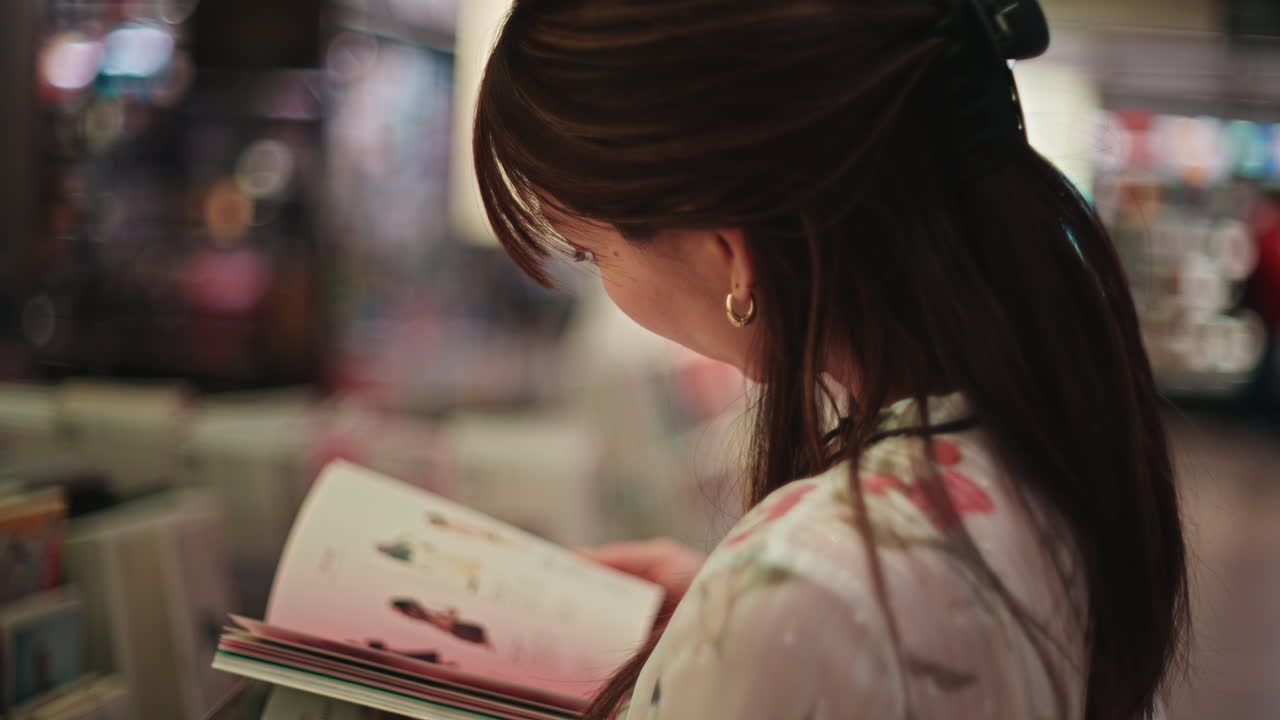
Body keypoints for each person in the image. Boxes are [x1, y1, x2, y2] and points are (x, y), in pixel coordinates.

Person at [471, 1, 1188, 719]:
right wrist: (723, 628)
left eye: (590, 252)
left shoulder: (815, 584)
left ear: (731, 257)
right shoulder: (1047, 441)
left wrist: (756, 623)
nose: (599, 276)